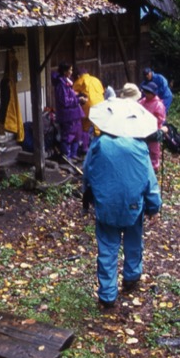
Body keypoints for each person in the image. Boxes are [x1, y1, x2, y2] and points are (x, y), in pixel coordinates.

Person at [83, 98, 162, 308]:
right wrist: (154, 206)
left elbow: (87, 172)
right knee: (133, 241)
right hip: (133, 206)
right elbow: (149, 181)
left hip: (106, 205)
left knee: (107, 248)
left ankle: (107, 295)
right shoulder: (140, 147)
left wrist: (87, 196)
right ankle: (131, 276)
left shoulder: (98, 145)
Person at [52, 62, 85, 159]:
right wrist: (78, 100)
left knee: (77, 135)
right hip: (67, 115)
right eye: (69, 70)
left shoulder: (67, 82)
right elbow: (65, 102)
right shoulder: (61, 84)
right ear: (64, 71)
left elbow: (71, 97)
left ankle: (73, 155)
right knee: (68, 136)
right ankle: (66, 157)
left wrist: (78, 97)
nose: (71, 72)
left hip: (74, 114)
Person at [73, 67, 105, 150]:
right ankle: (100, 147)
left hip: (88, 105)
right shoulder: (96, 80)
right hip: (100, 104)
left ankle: (85, 148)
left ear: (79, 75)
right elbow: (102, 91)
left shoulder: (80, 80)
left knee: (85, 128)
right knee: (98, 127)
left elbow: (73, 92)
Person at [139, 82, 167, 171]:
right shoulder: (143, 101)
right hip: (142, 129)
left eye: (148, 92)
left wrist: (151, 120)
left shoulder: (158, 104)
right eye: (145, 92)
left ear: (153, 93)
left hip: (154, 130)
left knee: (154, 150)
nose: (146, 94)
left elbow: (161, 119)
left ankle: (155, 167)